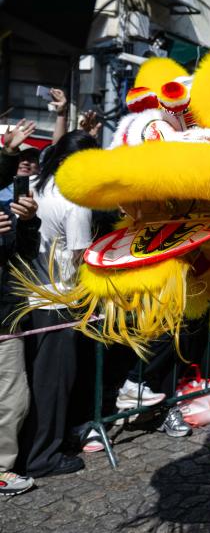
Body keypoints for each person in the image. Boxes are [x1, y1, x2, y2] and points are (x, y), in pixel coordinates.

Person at [18, 130, 98, 478]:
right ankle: (43, 457)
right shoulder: (75, 201)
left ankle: (33, 448)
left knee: (35, 381)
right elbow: (81, 257)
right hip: (60, 299)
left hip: (29, 295)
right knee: (53, 383)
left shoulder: (36, 184)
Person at [0, 120, 42, 496]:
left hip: (6, 317)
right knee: (11, 397)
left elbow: (23, 253)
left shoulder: (7, 209)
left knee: (13, 398)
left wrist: (27, 222)